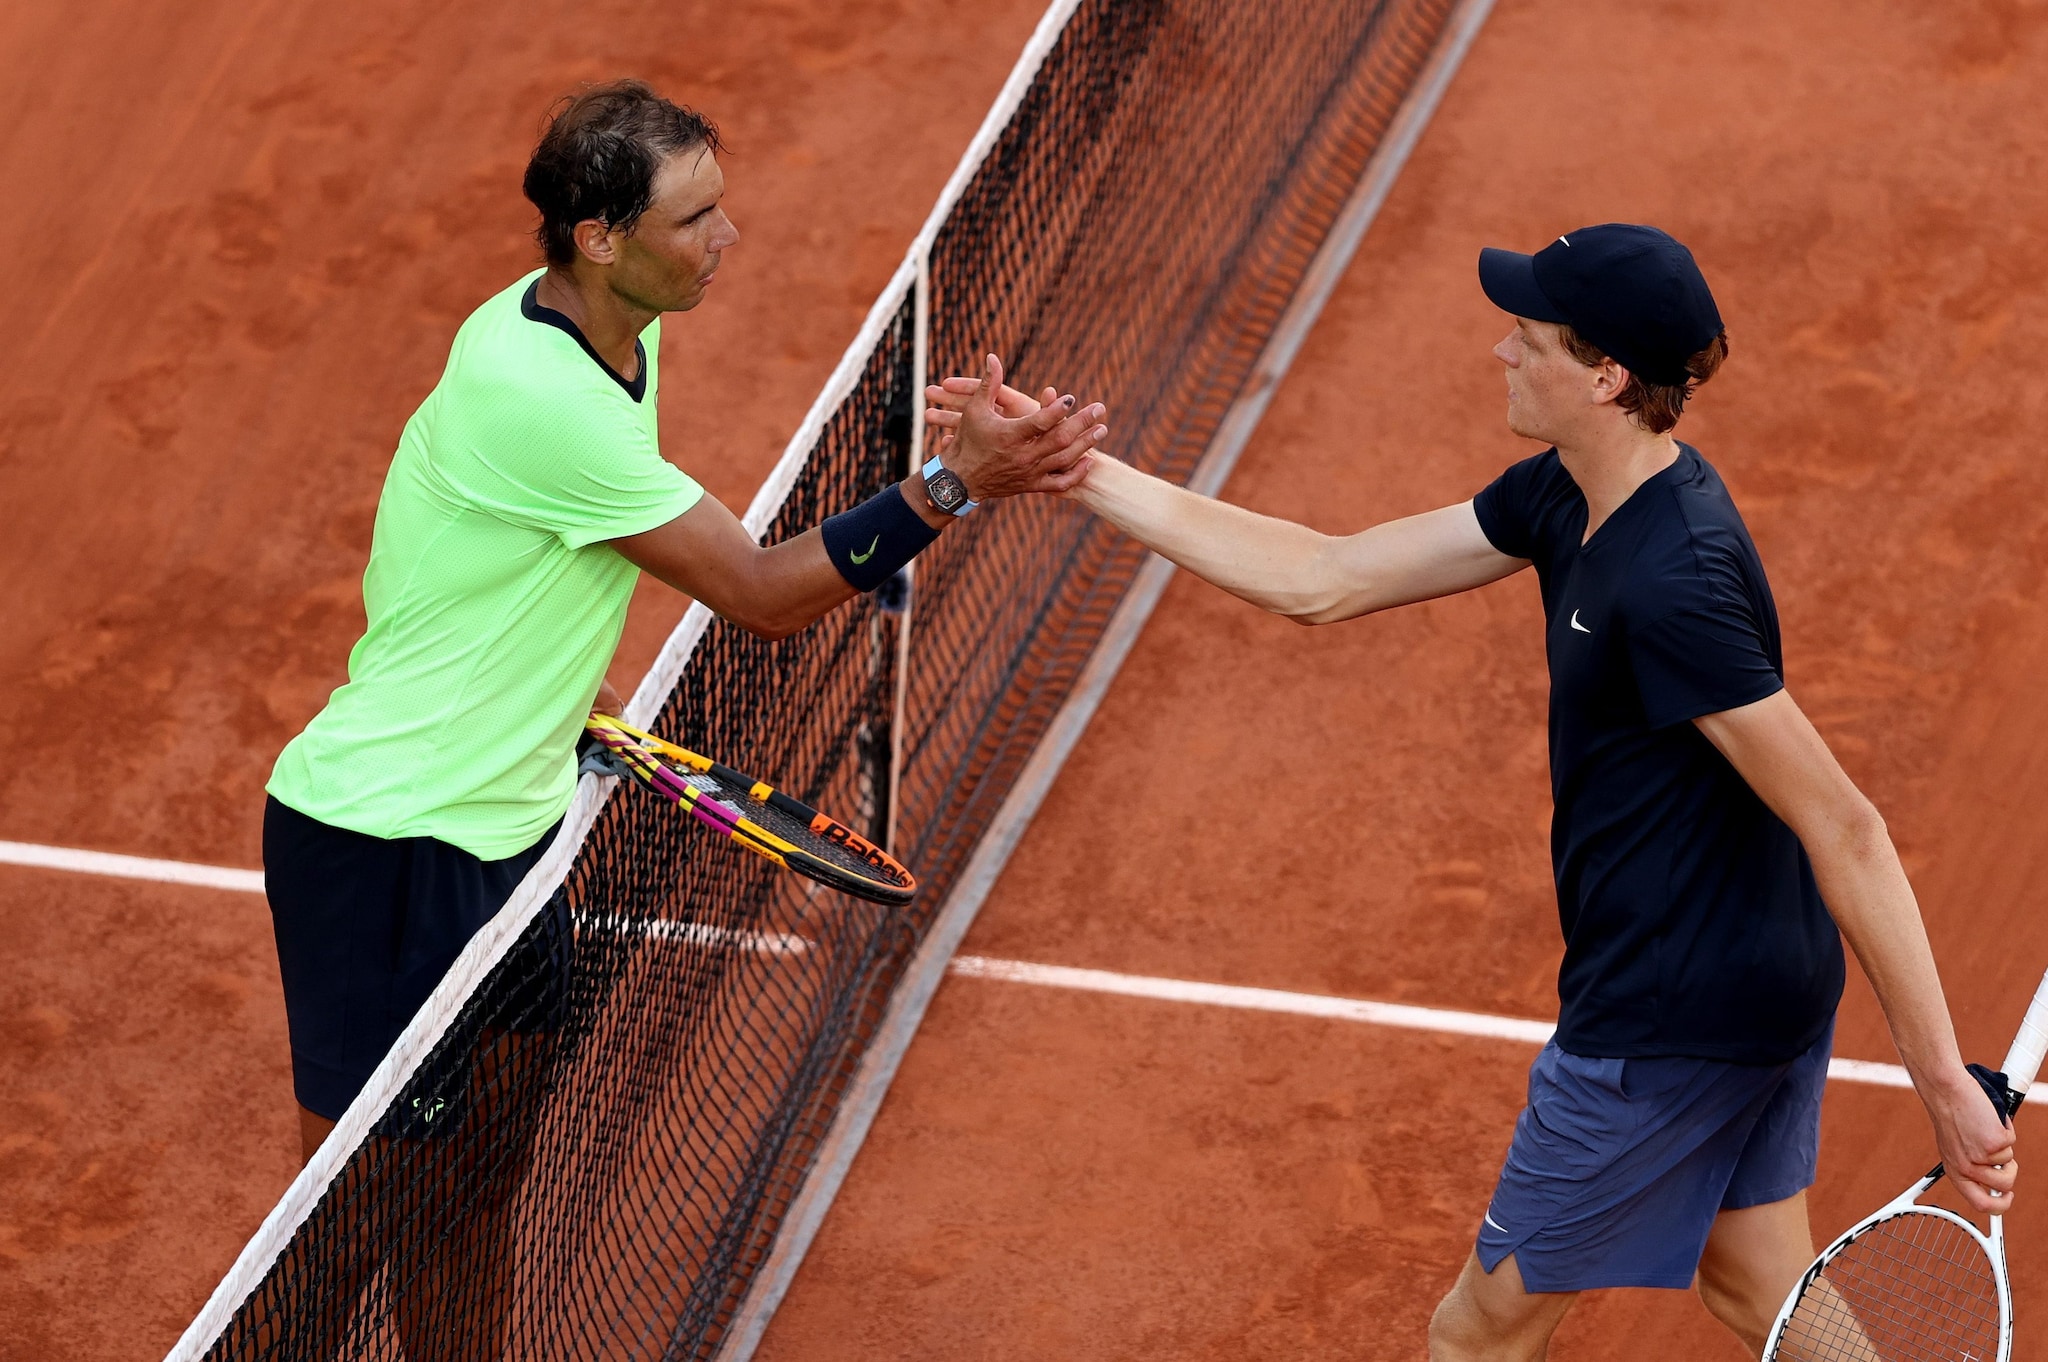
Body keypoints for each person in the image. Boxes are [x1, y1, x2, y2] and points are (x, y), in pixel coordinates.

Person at [924, 223, 2017, 1359]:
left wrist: (1938, 1079)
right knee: (1757, 1288)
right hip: (1753, 980)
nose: (1500, 350)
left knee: (1474, 1336)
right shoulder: (1570, 497)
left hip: (1665, 1010)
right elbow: (1322, 576)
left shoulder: (1670, 578)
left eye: (1528, 335)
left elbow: (1844, 820)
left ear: (1604, 376)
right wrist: (1073, 469)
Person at [256, 78, 1105, 1358]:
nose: (728, 239)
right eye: (695, 219)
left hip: (516, 825)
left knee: (483, 1194)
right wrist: (952, 483)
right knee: (348, 1243)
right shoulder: (540, 394)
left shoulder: (613, 332)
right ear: (598, 237)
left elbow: (480, 557)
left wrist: (540, 694)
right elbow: (762, 596)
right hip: (388, 844)